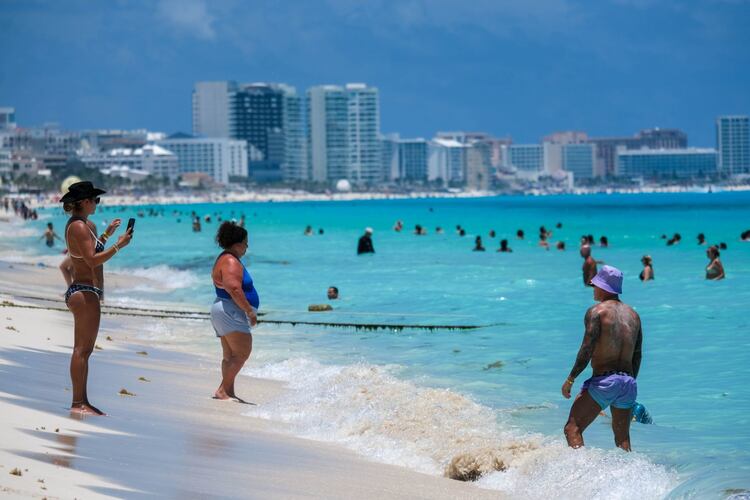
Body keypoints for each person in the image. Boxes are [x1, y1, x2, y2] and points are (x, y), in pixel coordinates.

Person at [62, 181, 132, 415]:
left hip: (82, 290)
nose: (97, 203)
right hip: (83, 291)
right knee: (82, 350)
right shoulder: (79, 226)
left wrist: (107, 234)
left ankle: (82, 400)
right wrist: (119, 246)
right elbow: (92, 261)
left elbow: (90, 252)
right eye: (95, 199)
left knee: (84, 350)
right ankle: (78, 402)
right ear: (84, 202)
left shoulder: (80, 225)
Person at [562, 265, 642, 451]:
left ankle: (582, 468)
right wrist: (627, 384)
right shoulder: (634, 316)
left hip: (604, 382)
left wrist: (570, 379)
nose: (593, 288)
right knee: (622, 440)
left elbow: (587, 348)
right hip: (628, 383)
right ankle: (630, 469)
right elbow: (637, 354)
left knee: (572, 428)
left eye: (595, 285)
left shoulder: (597, 312)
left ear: (604, 287)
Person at [210, 222, 259, 403]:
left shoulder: (225, 258)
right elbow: (234, 289)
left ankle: (228, 391)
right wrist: (249, 311)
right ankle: (223, 390)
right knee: (242, 353)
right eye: (246, 243)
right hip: (231, 310)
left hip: (225, 309)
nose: (247, 247)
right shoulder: (231, 261)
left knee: (230, 355)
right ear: (238, 244)